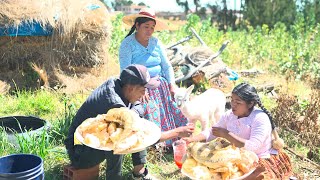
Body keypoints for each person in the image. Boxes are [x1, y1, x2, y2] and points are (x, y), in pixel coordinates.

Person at [64, 64, 194, 180]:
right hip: (79, 152)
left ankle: (139, 172)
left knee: (134, 123)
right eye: (143, 89)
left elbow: (139, 108)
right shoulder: (114, 103)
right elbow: (144, 137)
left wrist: (135, 112)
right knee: (119, 140)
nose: (145, 93)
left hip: (90, 145)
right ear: (131, 88)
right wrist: (177, 132)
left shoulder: (118, 84)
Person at [183, 82, 292, 180]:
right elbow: (212, 132)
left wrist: (227, 135)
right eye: (232, 100)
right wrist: (192, 139)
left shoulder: (260, 118)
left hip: (259, 157)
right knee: (200, 163)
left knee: (256, 175)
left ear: (250, 104)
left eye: (238, 102)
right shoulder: (229, 115)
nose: (233, 104)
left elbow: (253, 147)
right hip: (234, 154)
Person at [119, 8, 188, 147]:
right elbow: (125, 71)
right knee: (149, 110)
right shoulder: (127, 44)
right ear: (137, 26)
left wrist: (172, 84)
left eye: (152, 27)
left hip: (160, 85)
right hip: (139, 87)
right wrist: (140, 88)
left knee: (172, 109)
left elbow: (167, 66)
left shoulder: (156, 43)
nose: (149, 31)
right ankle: (155, 145)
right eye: (146, 27)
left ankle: (171, 142)